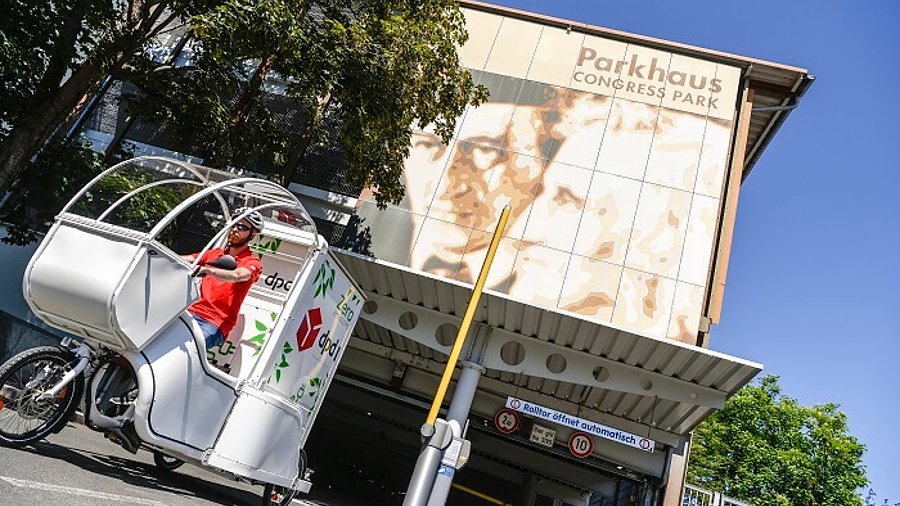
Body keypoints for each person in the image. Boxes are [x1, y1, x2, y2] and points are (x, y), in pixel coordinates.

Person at [183, 207, 264, 349]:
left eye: (242, 227)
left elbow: (238, 275)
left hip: (214, 321)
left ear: (252, 235)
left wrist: (209, 271)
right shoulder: (215, 254)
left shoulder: (252, 262)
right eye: (234, 224)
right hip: (189, 311)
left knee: (191, 350)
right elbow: (187, 259)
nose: (235, 229)